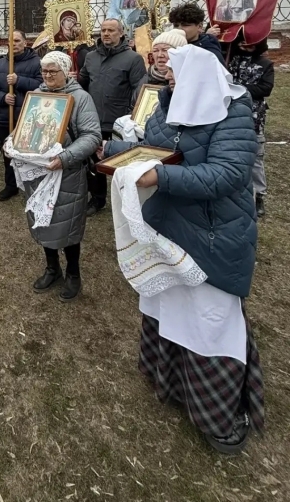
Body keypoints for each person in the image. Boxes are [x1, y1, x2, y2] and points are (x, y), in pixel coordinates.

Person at [102, 45, 263, 454]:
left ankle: (220, 414)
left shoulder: (232, 110)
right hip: (168, 229)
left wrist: (159, 177)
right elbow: (156, 151)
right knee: (169, 307)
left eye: (174, 69)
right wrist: (111, 153)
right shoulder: (167, 104)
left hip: (213, 233)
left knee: (209, 322)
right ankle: (172, 383)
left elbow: (227, 173)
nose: (166, 75)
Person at [23, 51, 101, 301]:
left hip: (68, 173)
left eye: (52, 71)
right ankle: (52, 268)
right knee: (43, 221)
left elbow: (92, 136)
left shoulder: (81, 98)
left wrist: (66, 158)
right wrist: (13, 142)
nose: (47, 75)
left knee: (67, 224)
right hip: (39, 172)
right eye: (44, 71)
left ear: (65, 72)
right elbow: (25, 128)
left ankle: (73, 273)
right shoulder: (36, 96)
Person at [78, 18, 146, 215]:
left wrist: (132, 115)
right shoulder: (91, 57)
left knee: (123, 164)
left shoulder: (133, 58)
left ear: (121, 33)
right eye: (103, 30)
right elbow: (83, 82)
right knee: (94, 163)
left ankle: (127, 201)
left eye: (111, 30)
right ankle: (97, 199)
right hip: (93, 120)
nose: (106, 34)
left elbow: (139, 90)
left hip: (119, 122)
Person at [0, 30, 42, 201]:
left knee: (30, 151)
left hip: (29, 117)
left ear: (25, 43)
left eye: (17, 40)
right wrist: (3, 97)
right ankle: (11, 185)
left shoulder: (37, 63)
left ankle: (33, 184)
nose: (14, 43)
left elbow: (42, 85)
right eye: (11, 40)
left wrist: (19, 81)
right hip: (5, 116)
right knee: (8, 152)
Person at [228, 38, 274, 217]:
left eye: (250, 43)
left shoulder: (265, 64)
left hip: (254, 116)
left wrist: (238, 89)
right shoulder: (230, 59)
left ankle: (259, 195)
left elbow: (265, 88)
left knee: (255, 156)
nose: (245, 47)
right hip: (229, 114)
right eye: (242, 43)